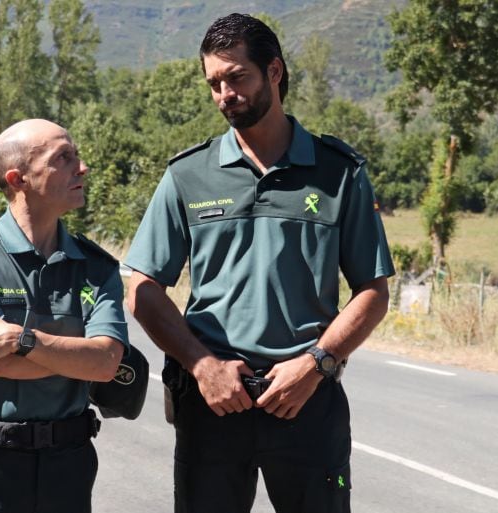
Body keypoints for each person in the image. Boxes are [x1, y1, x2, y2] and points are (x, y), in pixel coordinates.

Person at [124, 13, 394, 513]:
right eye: (214, 83)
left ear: (274, 71)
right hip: (213, 403)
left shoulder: (339, 172)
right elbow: (140, 287)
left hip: (307, 399)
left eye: (237, 76)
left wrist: (316, 365)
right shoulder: (189, 174)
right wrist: (203, 367)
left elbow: (373, 292)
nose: (225, 93)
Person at [0, 118, 129, 513]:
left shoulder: (96, 266)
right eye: (64, 157)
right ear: (18, 178)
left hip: (68, 466)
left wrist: (20, 339)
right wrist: (77, 358)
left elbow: (107, 363)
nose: (83, 166)